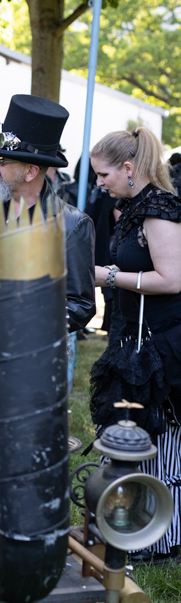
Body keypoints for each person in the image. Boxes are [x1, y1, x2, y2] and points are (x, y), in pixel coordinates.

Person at [89, 127, 181, 560]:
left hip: (162, 340)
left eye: (103, 174)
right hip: (136, 333)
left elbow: (172, 279)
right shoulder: (133, 207)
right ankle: (141, 524)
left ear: (129, 168)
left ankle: (163, 538)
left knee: (158, 436)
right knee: (136, 432)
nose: (98, 183)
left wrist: (104, 275)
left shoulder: (159, 209)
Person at [0, 95, 96, 337]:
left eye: (0, 158)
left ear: (31, 171)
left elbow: (79, 305)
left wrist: (22, 326)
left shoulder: (72, 225)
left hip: (26, 357)